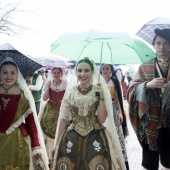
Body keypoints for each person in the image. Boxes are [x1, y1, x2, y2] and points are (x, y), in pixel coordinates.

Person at [51, 57, 126, 170]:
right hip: (71, 137)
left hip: (95, 136)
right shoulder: (71, 91)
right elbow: (64, 118)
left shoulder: (97, 90)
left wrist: (101, 98)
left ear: (92, 72)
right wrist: (56, 144)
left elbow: (101, 120)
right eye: (79, 70)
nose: (82, 73)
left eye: (86, 70)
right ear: (76, 72)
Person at [127, 28, 170, 170]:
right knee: (150, 163)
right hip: (150, 122)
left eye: (165, 43)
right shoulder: (145, 67)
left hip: (169, 121)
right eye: (158, 43)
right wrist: (147, 85)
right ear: (154, 45)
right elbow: (131, 89)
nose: (161, 47)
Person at [0, 57, 49, 169]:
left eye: (12, 72)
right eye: (5, 72)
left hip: (17, 141)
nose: (8, 76)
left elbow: (31, 122)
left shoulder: (24, 96)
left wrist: (36, 145)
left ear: (17, 74)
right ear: (0, 74)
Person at [101, 64, 129, 170]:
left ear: (110, 70)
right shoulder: (98, 82)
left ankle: (115, 155)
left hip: (112, 110)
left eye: (107, 68)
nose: (105, 70)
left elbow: (117, 99)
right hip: (102, 109)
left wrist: (121, 113)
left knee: (114, 133)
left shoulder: (114, 81)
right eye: (103, 68)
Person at [39, 67, 68, 166]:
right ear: (52, 73)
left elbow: (66, 99)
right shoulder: (49, 83)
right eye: (54, 72)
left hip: (60, 109)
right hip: (49, 108)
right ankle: (46, 155)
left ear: (61, 74)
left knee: (59, 130)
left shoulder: (65, 84)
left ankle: (56, 153)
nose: (56, 74)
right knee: (45, 131)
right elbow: (44, 98)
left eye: (58, 73)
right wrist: (48, 87)